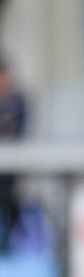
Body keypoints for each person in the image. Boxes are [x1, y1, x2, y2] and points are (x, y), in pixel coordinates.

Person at [0, 61, 27, 252]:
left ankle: (10, 245)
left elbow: (17, 130)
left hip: (11, 173)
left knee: (10, 204)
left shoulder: (18, 101)